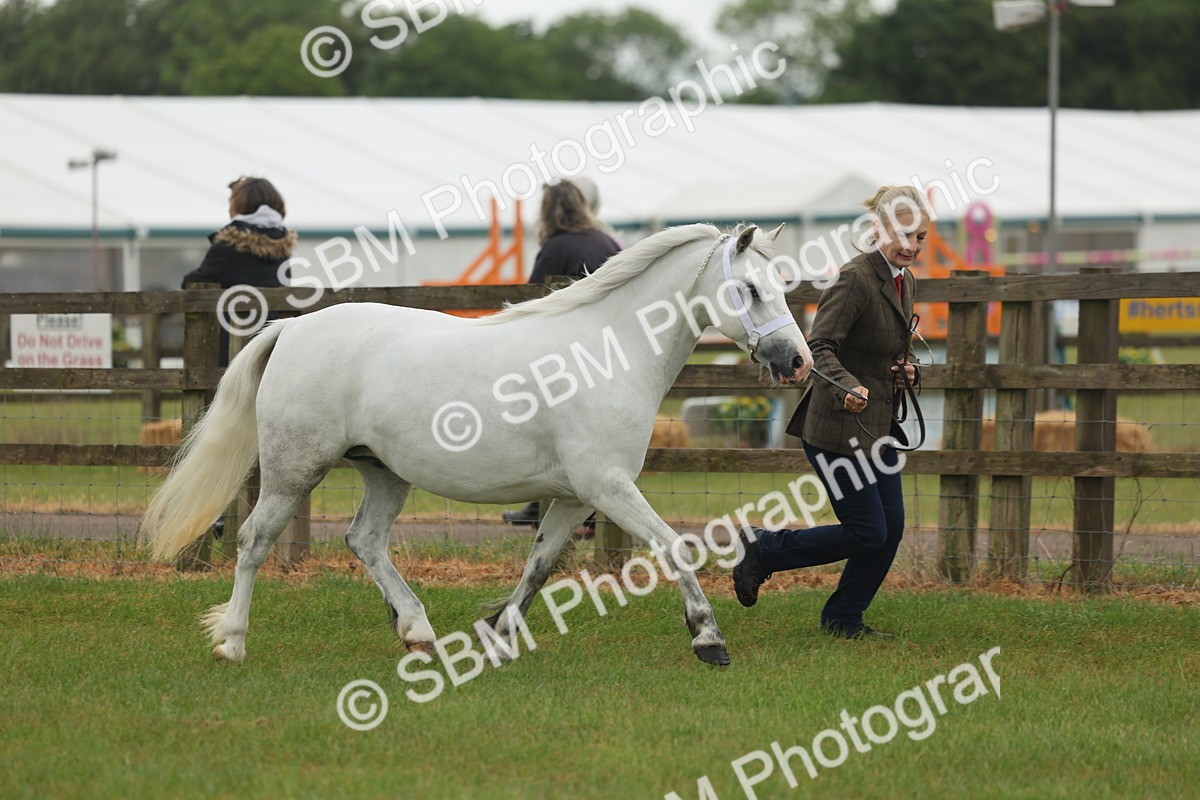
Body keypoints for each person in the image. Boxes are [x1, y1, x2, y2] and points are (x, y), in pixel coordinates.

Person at [733, 185, 927, 639]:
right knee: (867, 532)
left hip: (878, 427)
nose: (911, 246)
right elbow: (818, 346)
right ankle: (764, 548)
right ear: (878, 229)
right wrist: (847, 386)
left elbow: (889, 351)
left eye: (920, 237)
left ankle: (843, 617)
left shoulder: (905, 281)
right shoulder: (855, 278)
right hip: (837, 427)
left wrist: (908, 371)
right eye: (902, 234)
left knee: (889, 529)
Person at [502, 180, 622, 534]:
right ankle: (588, 511)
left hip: (565, 354)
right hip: (611, 351)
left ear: (548, 211)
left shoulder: (556, 247)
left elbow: (531, 300)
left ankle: (544, 504)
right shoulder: (607, 242)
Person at [182, 176, 295, 367]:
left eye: (231, 202)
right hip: (272, 342)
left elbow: (192, 284)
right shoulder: (282, 248)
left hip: (233, 342)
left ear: (240, 206)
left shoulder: (228, 246)